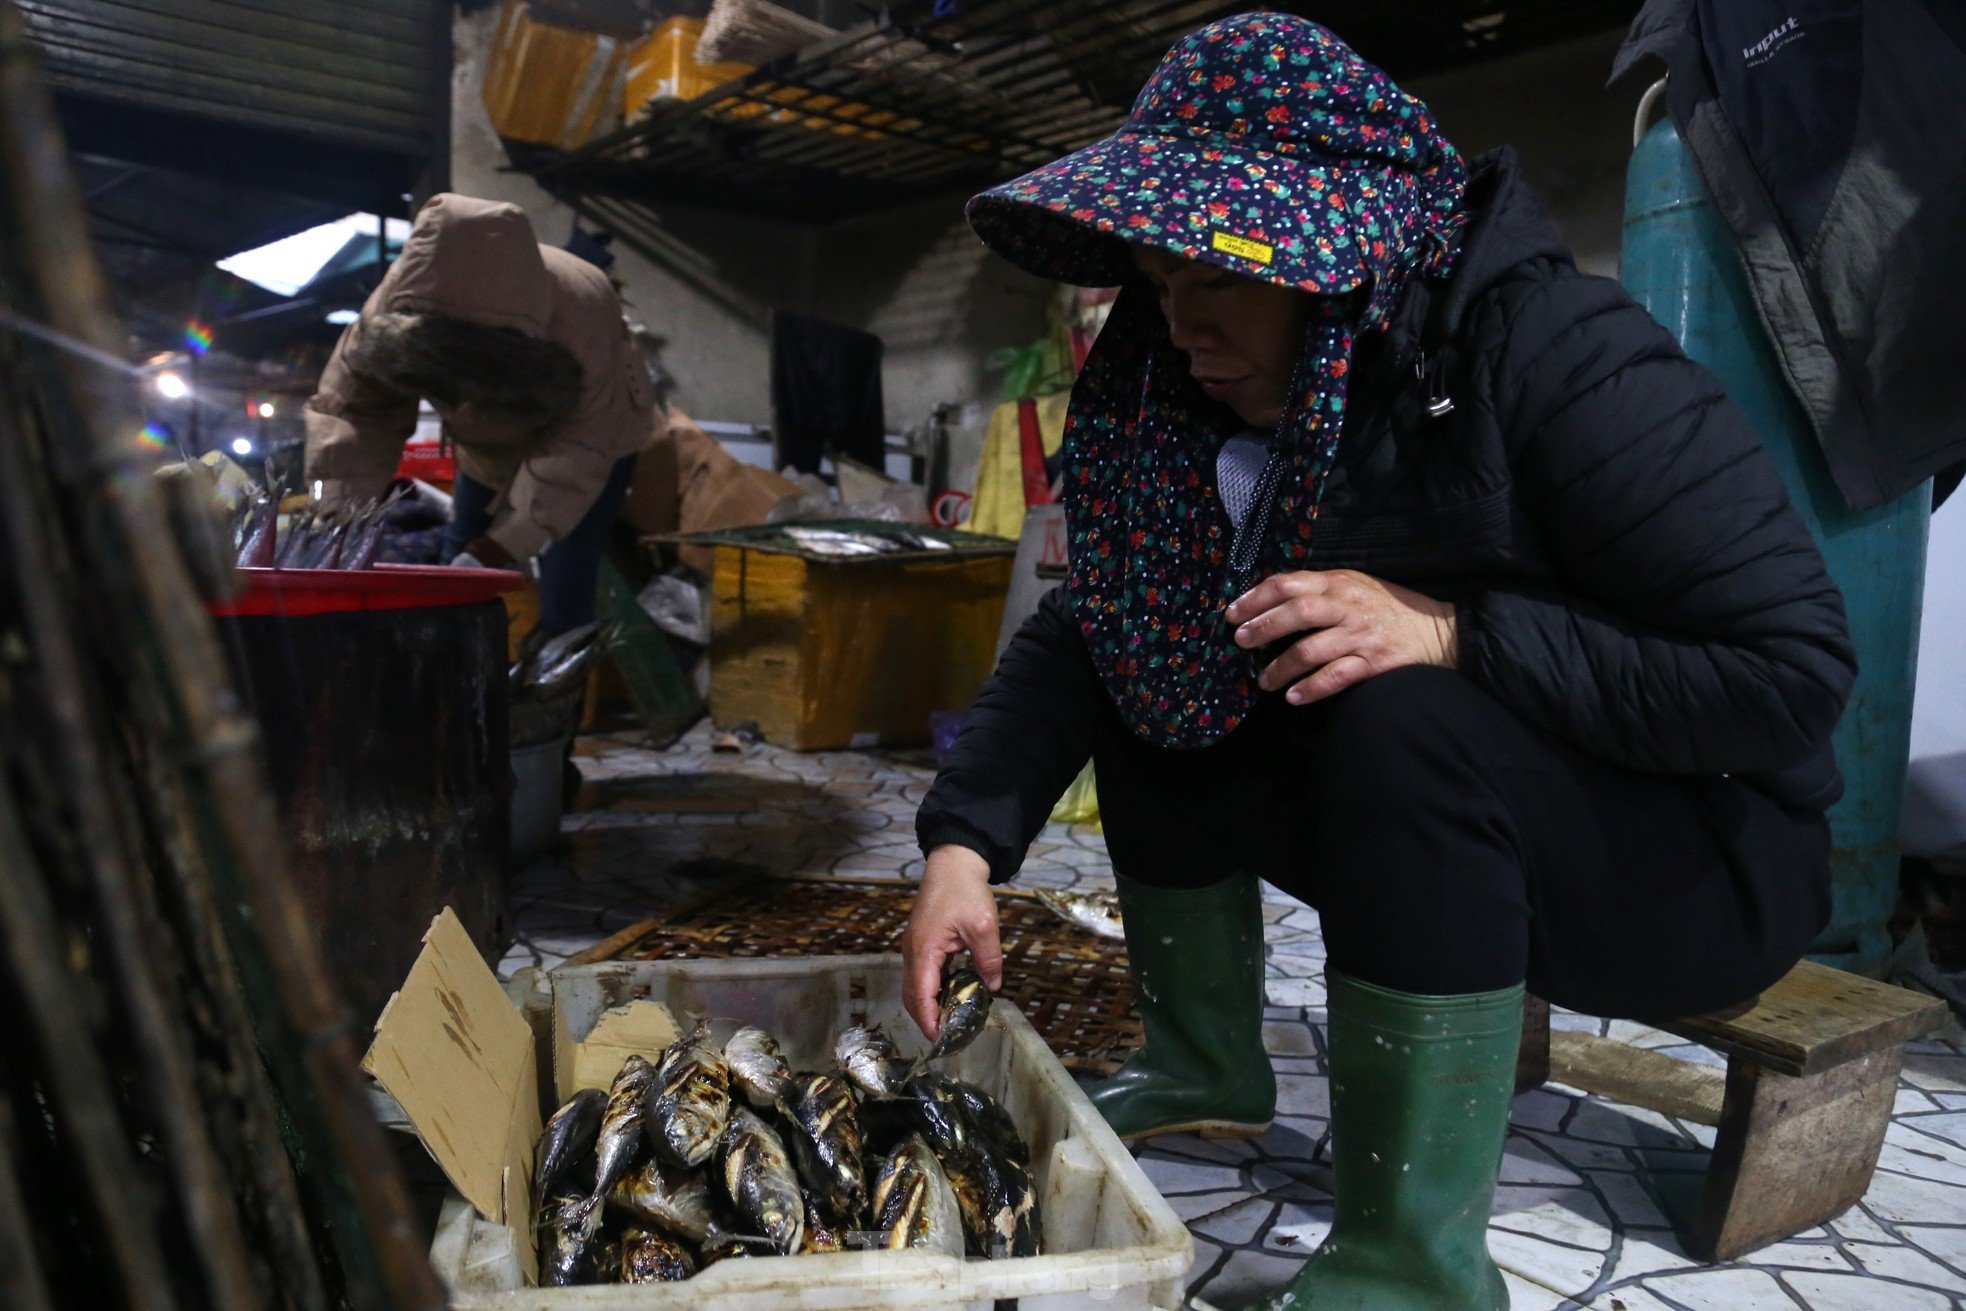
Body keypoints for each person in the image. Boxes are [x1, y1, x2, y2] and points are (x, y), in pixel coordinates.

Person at [902, 14, 1854, 1311]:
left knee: (1399, 704)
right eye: (1159, 282)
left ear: (1332, 259)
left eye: (1221, 281)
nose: (1182, 328)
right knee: (1160, 657)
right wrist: (964, 846)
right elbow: (1092, 627)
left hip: (1693, 864)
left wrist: (1457, 633)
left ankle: (1415, 1258)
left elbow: (1786, 674)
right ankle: (1204, 1054)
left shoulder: (1555, 356)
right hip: (1463, 835)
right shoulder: (1193, 396)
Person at [304, 193, 655, 635]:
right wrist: (339, 517)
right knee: (456, 572)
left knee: (567, 579)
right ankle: (451, 678)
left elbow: (578, 449)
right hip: (482, 444)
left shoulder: (583, 306)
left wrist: (501, 546)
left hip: (595, 442)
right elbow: (356, 413)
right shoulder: (399, 303)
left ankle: (556, 691)